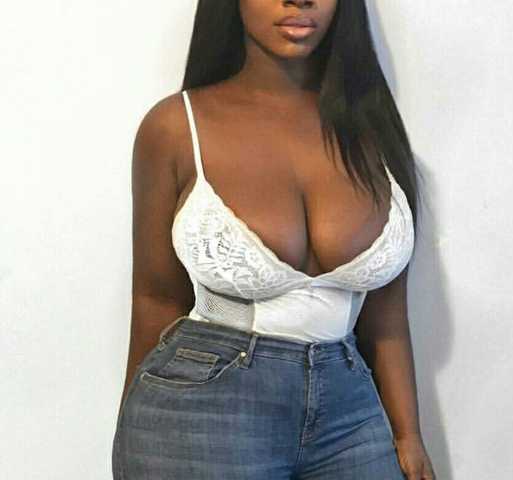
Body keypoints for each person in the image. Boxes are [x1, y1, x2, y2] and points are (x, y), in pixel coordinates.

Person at [112, 1, 435, 479]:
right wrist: (131, 430)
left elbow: (386, 320)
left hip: (350, 409)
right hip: (203, 407)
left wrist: (409, 436)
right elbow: (157, 299)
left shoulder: (375, 133)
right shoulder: (176, 128)